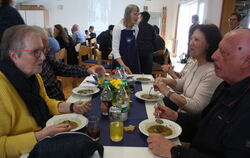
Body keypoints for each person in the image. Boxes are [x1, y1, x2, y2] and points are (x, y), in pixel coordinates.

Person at [147, 29, 250, 158]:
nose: (214, 56)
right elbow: (206, 123)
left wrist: (175, 151)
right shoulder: (226, 86)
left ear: (247, 61)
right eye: (218, 49)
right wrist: (176, 117)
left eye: (224, 53)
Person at [0, 25, 92, 158]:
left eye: (44, 51)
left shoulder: (34, 76)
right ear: (14, 55)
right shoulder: (3, 89)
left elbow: (46, 102)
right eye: (36, 52)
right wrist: (41, 135)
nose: (43, 57)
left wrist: (71, 106)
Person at [154, 24, 222, 114]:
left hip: (191, 123)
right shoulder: (195, 63)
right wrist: (165, 81)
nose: (190, 43)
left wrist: (167, 91)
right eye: (191, 39)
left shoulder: (212, 72)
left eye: (196, 40)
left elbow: (197, 107)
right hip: (181, 113)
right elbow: (182, 85)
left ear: (209, 45)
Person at [111, 4, 141, 74]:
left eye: (138, 14)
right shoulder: (118, 28)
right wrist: (123, 66)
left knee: (134, 83)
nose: (137, 17)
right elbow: (115, 50)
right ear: (127, 14)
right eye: (135, 14)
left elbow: (133, 45)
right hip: (120, 61)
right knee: (120, 83)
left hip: (133, 60)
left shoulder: (136, 28)